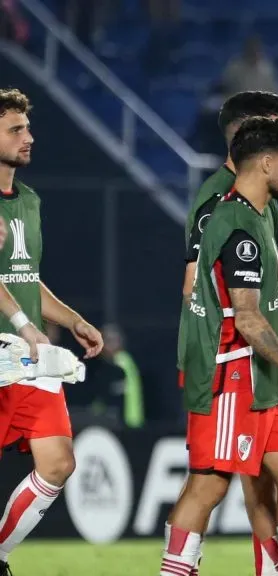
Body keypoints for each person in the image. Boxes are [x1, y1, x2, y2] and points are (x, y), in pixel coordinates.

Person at [164, 117, 278, 576]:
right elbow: (247, 317)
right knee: (208, 487)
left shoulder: (263, 213)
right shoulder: (236, 226)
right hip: (231, 377)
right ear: (265, 163)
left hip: (261, 379)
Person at [0, 88, 104, 576]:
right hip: (11, 345)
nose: (29, 137)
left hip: (26, 355)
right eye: (15, 129)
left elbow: (25, 278)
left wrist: (73, 320)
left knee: (59, 462)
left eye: (27, 127)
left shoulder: (29, 200)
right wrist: (23, 324)